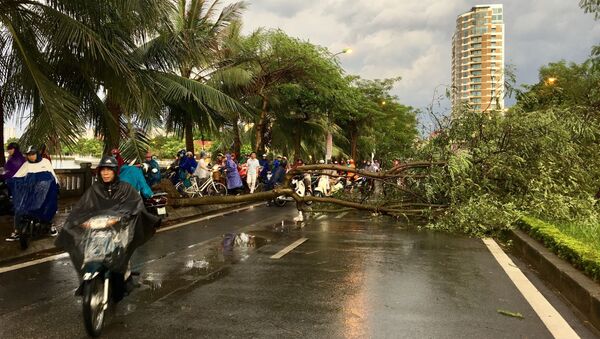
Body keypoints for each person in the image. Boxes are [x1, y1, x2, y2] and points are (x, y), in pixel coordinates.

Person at [56, 156, 160, 297]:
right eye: (103, 170)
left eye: (109, 170)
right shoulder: (95, 189)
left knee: (121, 255)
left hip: (118, 229)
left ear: (115, 172)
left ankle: (124, 277)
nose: (105, 173)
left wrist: (124, 217)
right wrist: (79, 220)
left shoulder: (126, 188)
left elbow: (134, 205)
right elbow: (83, 207)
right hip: (98, 228)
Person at [5, 146, 59, 241]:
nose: (31, 157)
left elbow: (52, 176)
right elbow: (18, 176)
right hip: (31, 192)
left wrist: (54, 186)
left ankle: (50, 225)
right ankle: (17, 231)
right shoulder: (26, 164)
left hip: (44, 191)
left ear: (37, 153)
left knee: (49, 205)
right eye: (29, 155)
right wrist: (10, 181)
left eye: (33, 154)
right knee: (19, 209)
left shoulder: (45, 162)